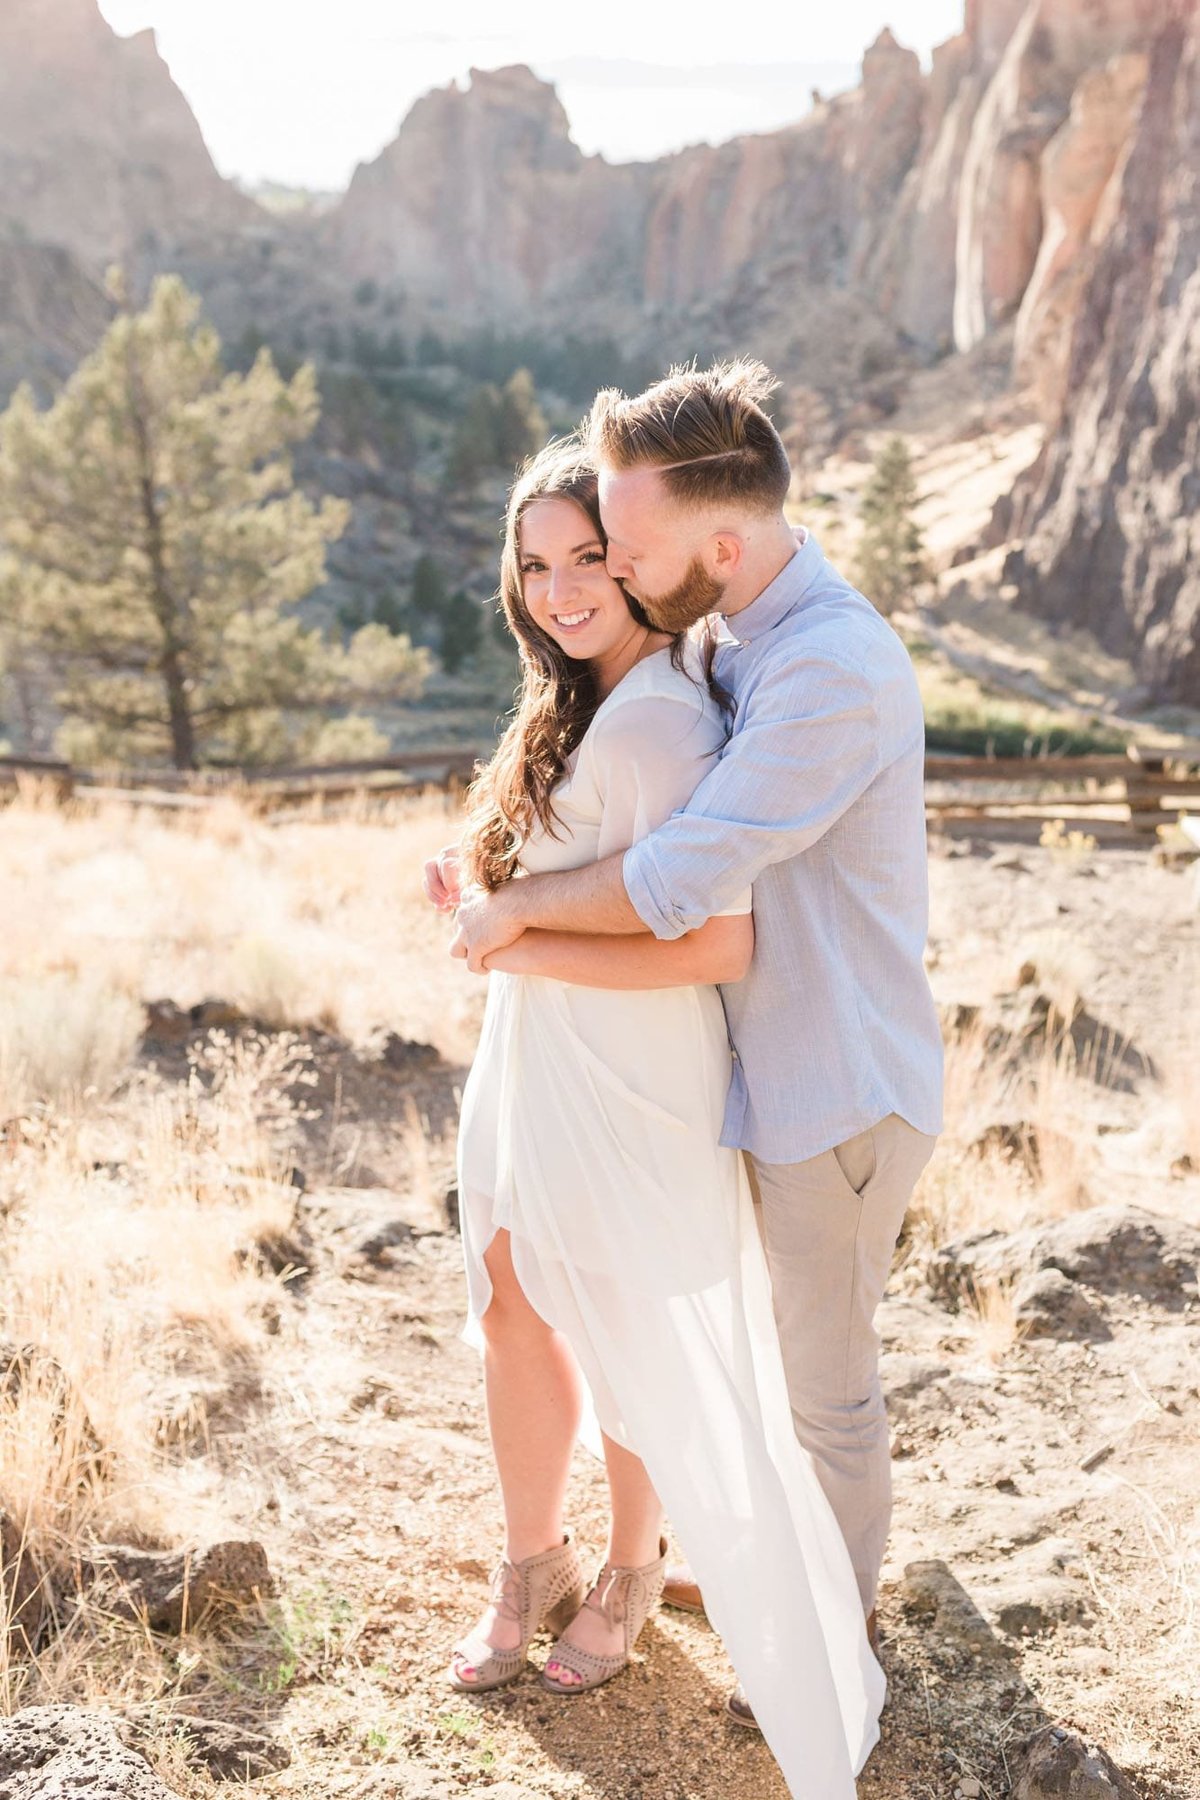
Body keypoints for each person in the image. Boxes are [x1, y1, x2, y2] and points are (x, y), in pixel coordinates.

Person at [440, 358, 945, 1727]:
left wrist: (508, 923)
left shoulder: (814, 669)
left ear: (705, 544)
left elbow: (687, 897)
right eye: (548, 555)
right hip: (732, 1066)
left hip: (831, 1079)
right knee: (717, 1346)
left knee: (817, 1390)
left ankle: (834, 1666)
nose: (593, 575)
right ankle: (677, 1564)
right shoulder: (730, 637)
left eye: (619, 544)